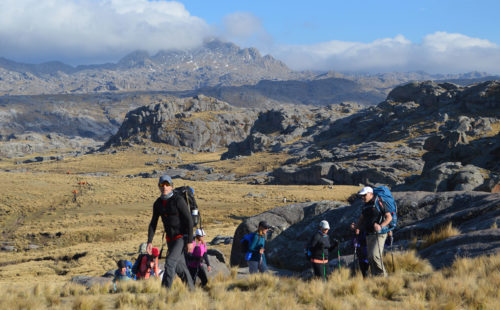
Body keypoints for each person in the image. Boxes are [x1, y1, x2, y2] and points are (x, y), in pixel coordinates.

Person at [146, 175, 194, 289]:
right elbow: (153, 223)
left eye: (167, 185)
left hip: (181, 237)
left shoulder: (178, 200)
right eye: (162, 185)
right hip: (170, 239)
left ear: (172, 186)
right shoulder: (157, 203)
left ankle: (165, 293)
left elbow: (189, 221)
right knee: (180, 267)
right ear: (159, 187)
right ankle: (193, 292)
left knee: (170, 262)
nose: (165, 187)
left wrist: (190, 241)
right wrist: (149, 241)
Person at [351, 186, 392, 277]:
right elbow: (361, 219)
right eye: (361, 196)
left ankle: (383, 276)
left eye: (364, 195)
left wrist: (381, 226)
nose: (362, 197)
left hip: (379, 234)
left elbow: (389, 217)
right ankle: (376, 277)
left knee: (375, 256)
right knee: (370, 257)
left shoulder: (379, 202)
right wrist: (356, 226)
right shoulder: (365, 206)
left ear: (371, 194)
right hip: (369, 234)